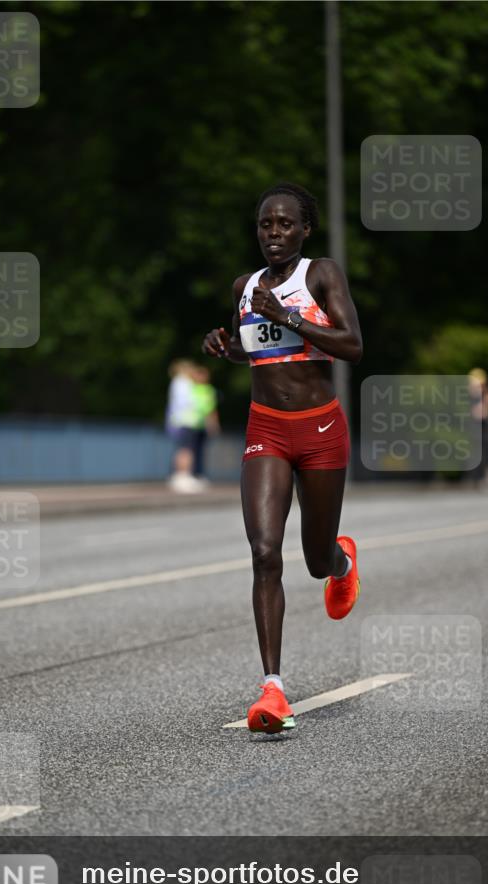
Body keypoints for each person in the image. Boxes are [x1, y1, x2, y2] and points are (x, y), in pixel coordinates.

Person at [202, 182, 363, 733]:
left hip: (320, 430)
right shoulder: (245, 287)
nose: (275, 234)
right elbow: (262, 354)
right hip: (266, 429)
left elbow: (352, 345)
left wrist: (290, 315)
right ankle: (273, 690)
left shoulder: (320, 274)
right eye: (266, 225)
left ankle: (340, 562)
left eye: (286, 224)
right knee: (265, 551)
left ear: (305, 230)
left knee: (314, 558)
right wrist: (227, 351)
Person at [165, 359, 204, 493]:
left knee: (185, 449)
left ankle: (183, 475)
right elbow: (186, 402)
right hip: (185, 420)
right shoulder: (182, 382)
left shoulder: (180, 382)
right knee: (185, 449)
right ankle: (182, 476)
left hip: (185, 420)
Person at [190, 365, 220, 482]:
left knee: (200, 450)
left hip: (203, 423)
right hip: (192, 422)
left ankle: (199, 474)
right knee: (190, 449)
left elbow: (212, 409)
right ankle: (190, 473)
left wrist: (214, 424)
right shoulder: (190, 388)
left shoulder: (209, 389)